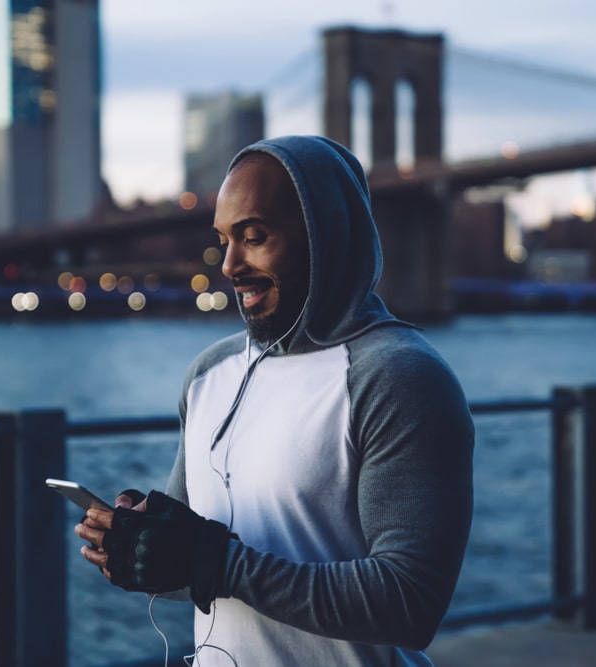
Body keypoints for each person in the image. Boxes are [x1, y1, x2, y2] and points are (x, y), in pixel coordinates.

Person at [76, 135, 474, 666]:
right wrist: (138, 547)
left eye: (255, 236)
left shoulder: (399, 376)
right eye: (224, 241)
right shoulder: (208, 375)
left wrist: (215, 562)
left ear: (324, 236)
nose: (229, 265)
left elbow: (409, 603)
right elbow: (190, 571)